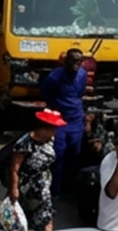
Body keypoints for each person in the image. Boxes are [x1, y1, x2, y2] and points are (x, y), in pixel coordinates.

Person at [8, 110, 63, 231]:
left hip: (43, 189)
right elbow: (14, 168)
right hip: (26, 189)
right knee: (22, 221)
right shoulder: (24, 144)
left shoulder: (50, 140)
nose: (55, 132)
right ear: (44, 128)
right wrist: (14, 189)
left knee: (47, 218)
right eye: (53, 129)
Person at [37, 48, 88, 177]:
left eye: (79, 61)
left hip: (76, 119)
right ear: (66, 61)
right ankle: (55, 187)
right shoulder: (54, 77)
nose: (76, 64)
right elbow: (46, 94)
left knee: (74, 155)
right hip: (59, 121)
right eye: (73, 60)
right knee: (58, 155)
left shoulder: (83, 74)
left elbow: (80, 93)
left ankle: (69, 185)